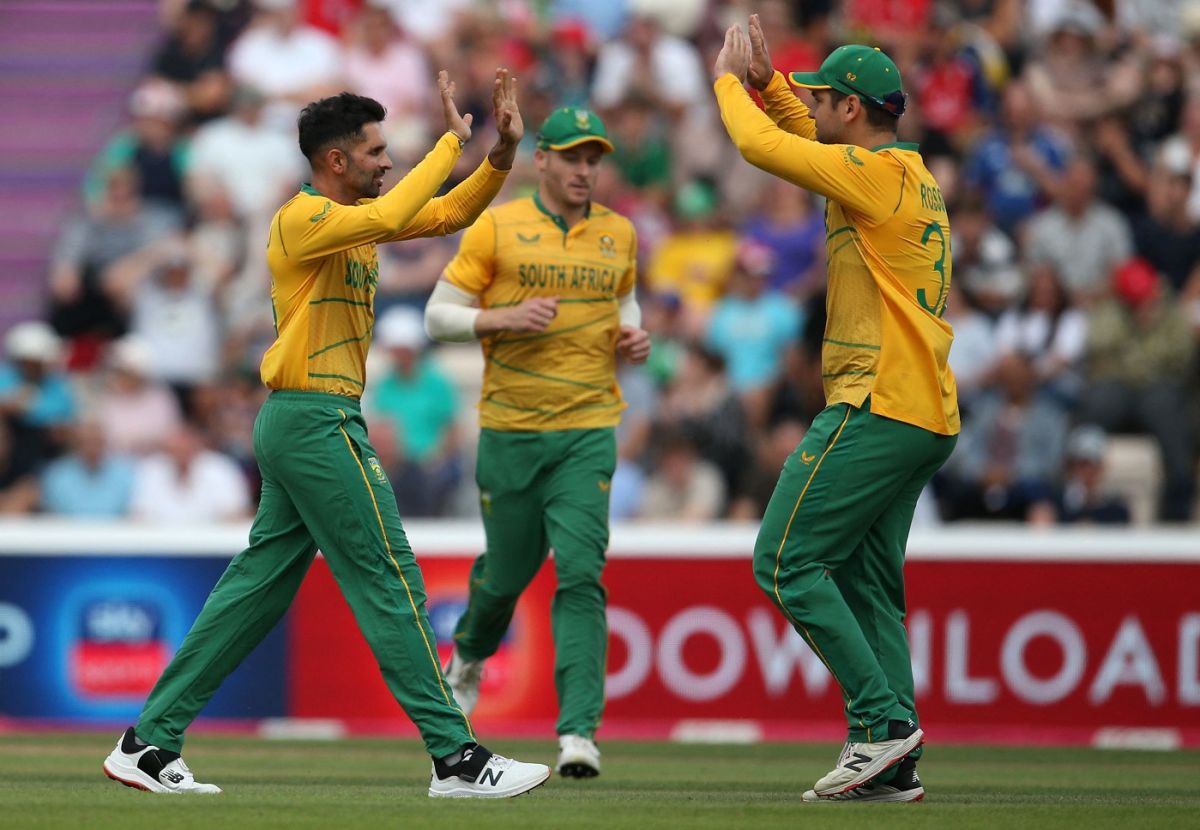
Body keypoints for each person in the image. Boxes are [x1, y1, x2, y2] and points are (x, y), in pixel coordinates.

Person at [102, 69, 551, 799]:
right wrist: (448, 141)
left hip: (302, 420)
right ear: (336, 161)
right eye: (375, 152)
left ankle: (148, 742)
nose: (386, 162)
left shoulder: (355, 218)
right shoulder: (301, 218)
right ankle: (455, 758)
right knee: (390, 576)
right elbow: (396, 211)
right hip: (314, 418)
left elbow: (442, 214)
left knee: (254, 592)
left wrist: (499, 155)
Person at [712, 18, 960, 803]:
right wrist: (770, 85)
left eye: (824, 98)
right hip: (922, 410)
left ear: (853, 110)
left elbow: (765, 148)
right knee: (867, 584)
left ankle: (881, 727)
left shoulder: (874, 175)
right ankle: (897, 761)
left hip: (877, 400)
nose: (812, 106)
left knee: (783, 561)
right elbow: (804, 137)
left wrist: (726, 81)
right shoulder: (904, 174)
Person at [424, 106, 650, 778]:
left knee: (582, 573)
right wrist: (503, 318)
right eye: (572, 157)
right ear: (542, 160)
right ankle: (467, 653)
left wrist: (631, 334)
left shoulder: (620, 233)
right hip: (511, 430)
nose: (585, 171)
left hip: (589, 428)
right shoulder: (500, 223)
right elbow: (438, 316)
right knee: (506, 576)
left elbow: (626, 301)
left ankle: (578, 732)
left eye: (593, 159)